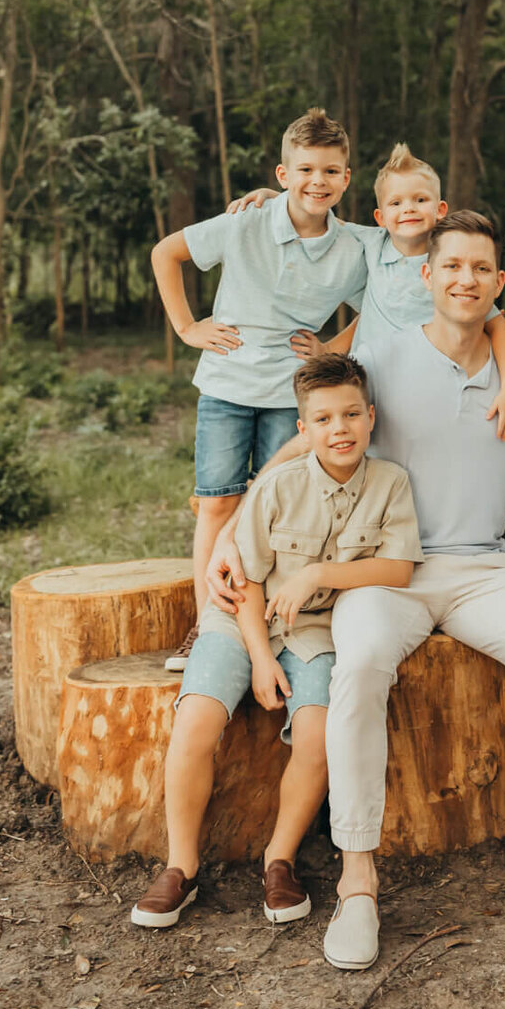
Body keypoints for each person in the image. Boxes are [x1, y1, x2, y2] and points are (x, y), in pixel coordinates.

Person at [208, 211, 505, 970]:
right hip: (383, 568)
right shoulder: (383, 357)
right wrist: (236, 527)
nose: (465, 279)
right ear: (427, 277)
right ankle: (358, 882)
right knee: (358, 663)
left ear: (499, 285)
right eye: (451, 266)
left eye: (481, 270)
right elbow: (314, 434)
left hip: (484, 568)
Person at [130, 354, 424, 930]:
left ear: (370, 417)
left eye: (349, 415)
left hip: (315, 628)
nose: (338, 429)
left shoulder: (391, 484)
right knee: (195, 720)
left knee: (317, 732)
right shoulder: (277, 487)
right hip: (241, 621)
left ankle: (279, 858)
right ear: (303, 429)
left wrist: (319, 576)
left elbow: (398, 570)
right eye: (322, 419)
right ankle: (180, 865)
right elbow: (246, 584)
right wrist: (261, 659)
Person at [151, 107, 367, 669]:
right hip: (226, 382)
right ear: (282, 173)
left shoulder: (358, 246)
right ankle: (208, 626)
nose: (316, 181)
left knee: (280, 503)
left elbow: (386, 298)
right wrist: (187, 327)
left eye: (329, 171)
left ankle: (272, 623)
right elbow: (165, 253)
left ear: (346, 178)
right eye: (305, 170)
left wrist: (334, 347)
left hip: (290, 392)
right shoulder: (246, 222)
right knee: (219, 502)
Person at [234, 142, 505, 437]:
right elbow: (315, 216)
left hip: (425, 388)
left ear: (440, 210)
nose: (408, 208)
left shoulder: (450, 266)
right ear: (380, 217)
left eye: (420, 200)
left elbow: (499, 327)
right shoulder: (371, 243)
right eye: (396, 203)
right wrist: (278, 199)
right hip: (365, 386)